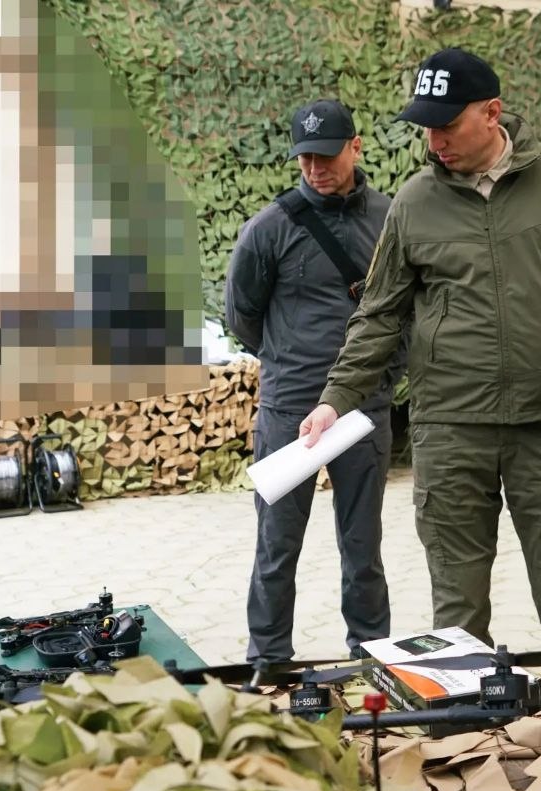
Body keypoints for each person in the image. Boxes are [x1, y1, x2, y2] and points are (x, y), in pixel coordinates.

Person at [300, 48, 541, 723]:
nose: (433, 140)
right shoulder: (414, 203)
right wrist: (334, 401)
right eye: (426, 126)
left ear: (492, 113)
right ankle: (467, 734)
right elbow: (379, 314)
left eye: (447, 125)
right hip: (450, 429)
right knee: (457, 605)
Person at [225, 99, 397, 665]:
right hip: (289, 412)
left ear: (356, 147)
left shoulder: (390, 219)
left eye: (327, 156)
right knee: (276, 545)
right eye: (306, 158)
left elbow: (406, 308)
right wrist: (289, 365)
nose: (316, 168)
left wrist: (385, 375)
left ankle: (370, 656)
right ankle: (268, 658)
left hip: (362, 409)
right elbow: (242, 316)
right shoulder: (269, 228)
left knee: (363, 547)